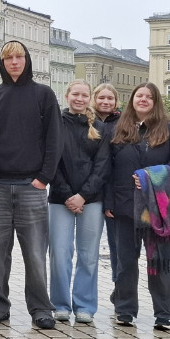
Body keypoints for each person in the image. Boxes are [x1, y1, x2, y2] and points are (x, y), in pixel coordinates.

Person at [0, 41, 61, 330]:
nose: (14, 62)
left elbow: (54, 139)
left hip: (32, 185)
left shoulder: (44, 95)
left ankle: (41, 308)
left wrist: (44, 178)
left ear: (27, 60)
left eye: (19, 57)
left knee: (36, 252)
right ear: (2, 62)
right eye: (8, 58)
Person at [105, 82, 170, 330]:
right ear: (131, 99)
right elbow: (106, 168)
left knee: (160, 261)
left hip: (157, 208)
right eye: (138, 95)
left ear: (155, 102)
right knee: (125, 262)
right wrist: (108, 201)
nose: (142, 100)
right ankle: (125, 310)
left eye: (148, 97)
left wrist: (151, 175)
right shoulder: (118, 129)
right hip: (124, 207)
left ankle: (164, 314)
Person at [48, 80, 110, 325]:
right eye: (75, 94)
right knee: (60, 253)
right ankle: (60, 304)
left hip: (91, 200)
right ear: (67, 95)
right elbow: (51, 162)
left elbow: (103, 165)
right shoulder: (54, 125)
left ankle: (84, 305)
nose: (80, 99)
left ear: (89, 99)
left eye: (85, 95)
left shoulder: (100, 128)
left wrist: (83, 195)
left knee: (88, 255)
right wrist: (66, 194)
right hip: (59, 199)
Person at [93, 83, 122, 286]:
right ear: (94, 99)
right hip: (90, 192)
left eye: (110, 98)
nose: (105, 102)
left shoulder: (123, 124)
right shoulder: (86, 121)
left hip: (114, 191)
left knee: (117, 246)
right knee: (88, 247)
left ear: (115, 101)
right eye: (101, 98)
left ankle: (118, 287)